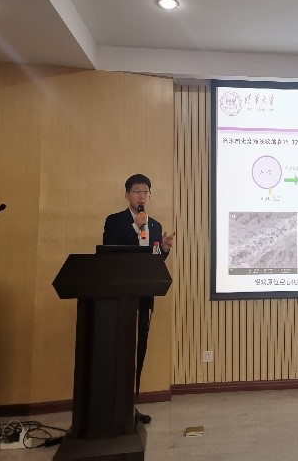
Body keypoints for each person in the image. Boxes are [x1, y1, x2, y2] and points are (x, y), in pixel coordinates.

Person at [102, 173, 174, 425]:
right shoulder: (114, 221)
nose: (142, 196)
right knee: (118, 348)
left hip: (144, 295)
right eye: (137, 191)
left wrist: (163, 250)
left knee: (139, 347)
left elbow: (152, 262)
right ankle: (112, 405)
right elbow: (109, 250)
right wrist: (135, 227)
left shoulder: (155, 225)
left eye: (145, 192)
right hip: (119, 296)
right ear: (127, 195)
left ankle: (131, 405)